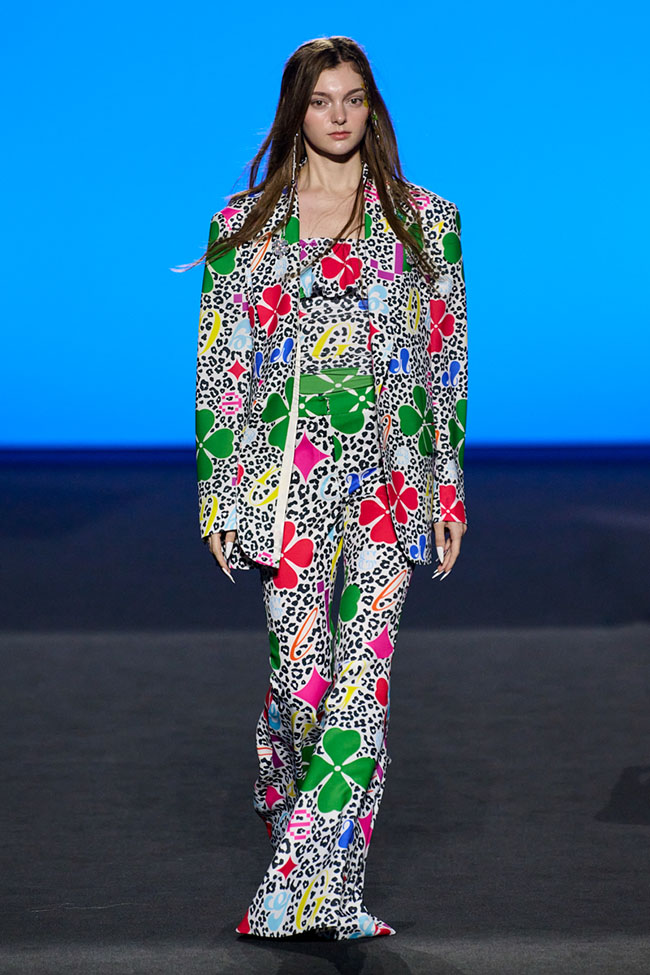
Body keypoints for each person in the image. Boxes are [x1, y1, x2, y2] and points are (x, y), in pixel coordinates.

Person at [190, 35, 468, 939]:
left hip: (390, 482)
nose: (339, 115)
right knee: (300, 686)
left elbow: (447, 361)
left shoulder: (426, 221)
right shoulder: (243, 226)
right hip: (285, 485)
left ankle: (313, 892)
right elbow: (222, 367)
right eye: (321, 100)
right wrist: (218, 494)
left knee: (362, 687)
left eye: (353, 99)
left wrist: (448, 489)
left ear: (372, 109)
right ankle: (282, 778)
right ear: (296, 111)